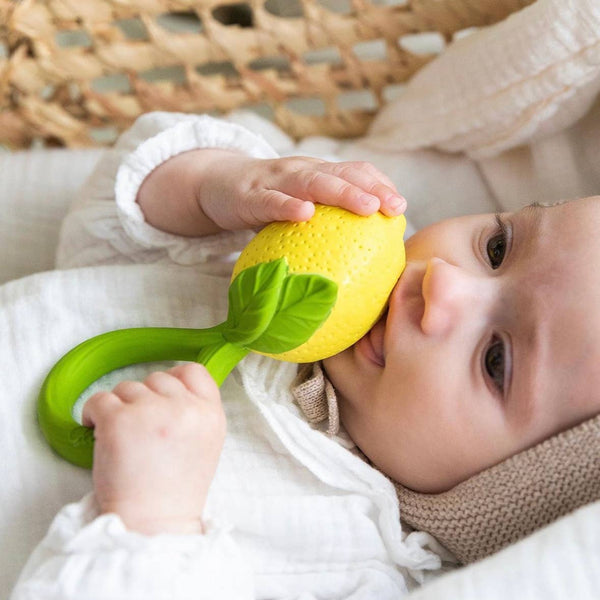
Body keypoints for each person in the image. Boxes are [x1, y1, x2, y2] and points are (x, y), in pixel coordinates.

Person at [7, 108, 600, 600]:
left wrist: (152, 521)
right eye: (497, 247)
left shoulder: (354, 566)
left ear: (509, 494)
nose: (443, 282)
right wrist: (210, 188)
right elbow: (93, 240)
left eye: (496, 360)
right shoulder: (290, 264)